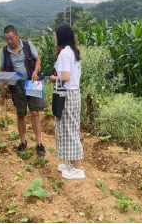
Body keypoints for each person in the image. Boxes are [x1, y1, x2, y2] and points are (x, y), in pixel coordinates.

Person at [0, 25, 47, 156]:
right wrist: (2, 88)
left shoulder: (27, 45)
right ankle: (23, 142)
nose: (9, 42)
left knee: (35, 112)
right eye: (7, 39)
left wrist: (35, 72)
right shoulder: (4, 51)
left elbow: (38, 59)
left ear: (17, 35)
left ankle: (39, 143)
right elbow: (2, 71)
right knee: (21, 114)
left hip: (31, 83)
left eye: (11, 38)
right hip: (16, 86)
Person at [50, 24, 84, 180]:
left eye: (56, 35)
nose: (54, 38)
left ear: (61, 36)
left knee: (69, 130)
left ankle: (77, 168)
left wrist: (52, 78)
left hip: (67, 94)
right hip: (74, 93)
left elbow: (65, 77)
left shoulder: (64, 53)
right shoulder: (73, 52)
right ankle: (70, 163)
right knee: (69, 127)